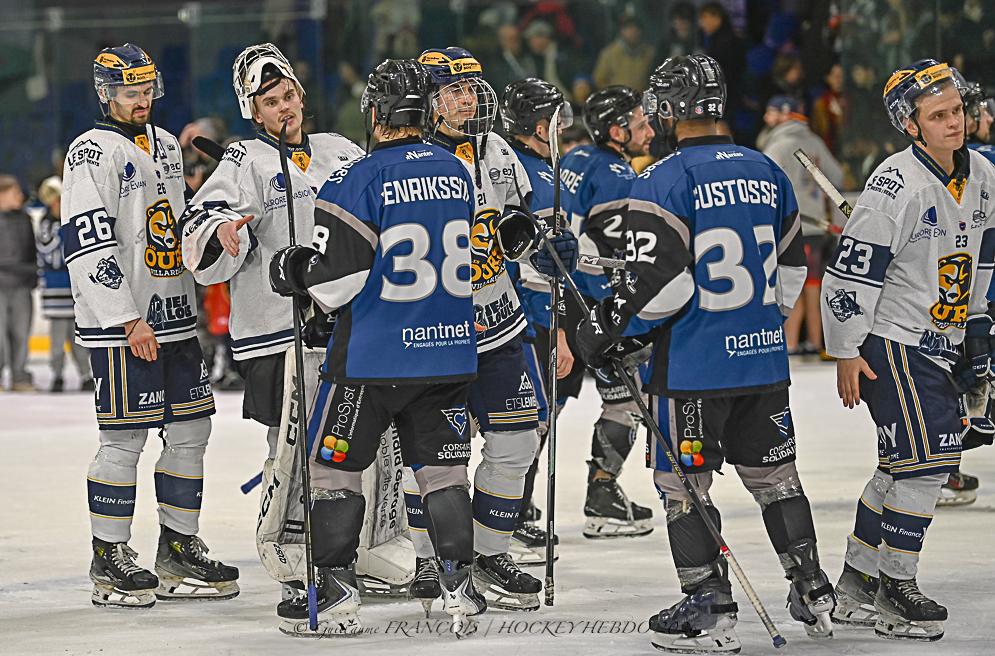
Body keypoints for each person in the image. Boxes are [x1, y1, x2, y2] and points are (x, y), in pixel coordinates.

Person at [576, 54, 835, 653]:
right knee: (776, 477)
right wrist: (756, 325)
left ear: (669, 107)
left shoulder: (662, 179)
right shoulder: (766, 169)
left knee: (682, 484)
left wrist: (608, 328)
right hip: (762, 362)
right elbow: (791, 273)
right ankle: (812, 588)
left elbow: (661, 289)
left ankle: (709, 604)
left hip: (692, 367)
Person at [267, 57, 482, 636]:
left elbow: (336, 284)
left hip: (372, 356)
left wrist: (295, 270)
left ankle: (335, 596)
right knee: (444, 473)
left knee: (332, 470)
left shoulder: (355, 178)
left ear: (376, 112)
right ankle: (458, 592)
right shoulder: (456, 170)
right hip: (448, 351)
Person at [180, 43, 392, 601]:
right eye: (271, 101)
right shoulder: (243, 161)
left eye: (290, 95)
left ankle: (358, 552)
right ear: (253, 111)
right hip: (278, 335)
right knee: (293, 450)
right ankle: (296, 562)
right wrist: (223, 232)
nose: (285, 107)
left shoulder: (340, 151)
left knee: (357, 444)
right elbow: (199, 227)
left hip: (350, 328)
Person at [823, 59, 995, 641]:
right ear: (911, 125)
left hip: (943, 344)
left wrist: (978, 329)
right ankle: (896, 589)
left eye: (958, 110)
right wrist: (846, 349)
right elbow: (849, 276)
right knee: (926, 466)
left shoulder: (983, 176)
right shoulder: (893, 186)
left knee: (899, 465)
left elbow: (983, 260)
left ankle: (854, 587)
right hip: (894, 342)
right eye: (938, 115)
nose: (955, 122)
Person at [62, 44, 237, 609]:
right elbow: (87, 240)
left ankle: (178, 547)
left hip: (177, 320)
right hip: (126, 327)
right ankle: (108, 555)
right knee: (124, 439)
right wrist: (125, 317)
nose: (141, 100)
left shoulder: (164, 144)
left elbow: (177, 226)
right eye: (130, 92)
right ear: (106, 94)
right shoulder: (90, 152)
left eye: (146, 90)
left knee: (191, 431)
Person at [402, 45, 545, 612]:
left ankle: (489, 554)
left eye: (472, 86)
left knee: (518, 441)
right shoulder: (409, 158)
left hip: (500, 322)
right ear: (428, 99)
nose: (469, 98)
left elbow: (521, 229)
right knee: (434, 455)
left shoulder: (499, 149)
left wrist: (536, 242)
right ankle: (426, 557)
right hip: (436, 334)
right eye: (454, 89)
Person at [559, 85, 656, 539]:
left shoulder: (576, 157)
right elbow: (623, 257)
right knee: (627, 401)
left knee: (539, 411)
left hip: (557, 299)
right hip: (595, 308)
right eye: (641, 124)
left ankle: (512, 507)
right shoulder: (619, 177)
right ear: (617, 131)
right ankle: (601, 493)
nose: (649, 132)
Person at [499, 76, 579, 562]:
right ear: (534, 123)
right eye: (553, 119)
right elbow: (543, 268)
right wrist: (560, 331)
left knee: (519, 424)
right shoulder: (535, 175)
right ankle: (507, 520)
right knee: (527, 422)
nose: (561, 128)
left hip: (508, 312)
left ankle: (511, 513)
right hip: (527, 316)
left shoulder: (508, 162)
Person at [762, 95, 843, 357]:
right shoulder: (814, 141)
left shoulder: (778, 145)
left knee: (792, 282)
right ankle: (816, 342)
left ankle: (791, 343)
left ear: (783, 114)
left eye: (771, 112)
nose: (766, 117)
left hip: (793, 224)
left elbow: (765, 183)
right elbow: (837, 175)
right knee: (814, 285)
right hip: (816, 225)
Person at [36, 175, 92, 392]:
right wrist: (61, 231)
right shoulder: (46, 225)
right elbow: (48, 252)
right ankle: (57, 375)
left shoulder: (73, 222)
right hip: (55, 291)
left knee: (79, 339)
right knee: (58, 340)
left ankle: (85, 375)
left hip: (75, 291)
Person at [0, 175, 37, 392]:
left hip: (21, 285)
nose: (20, 196)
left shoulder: (25, 219)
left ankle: (19, 376)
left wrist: (32, 276)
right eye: (15, 192)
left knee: (21, 334)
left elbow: (32, 251)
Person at [592, 16, 656, 92]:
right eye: (628, 28)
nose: (632, 32)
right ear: (621, 31)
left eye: (636, 28)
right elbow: (599, 80)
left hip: (641, 97)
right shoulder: (609, 54)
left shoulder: (649, 53)